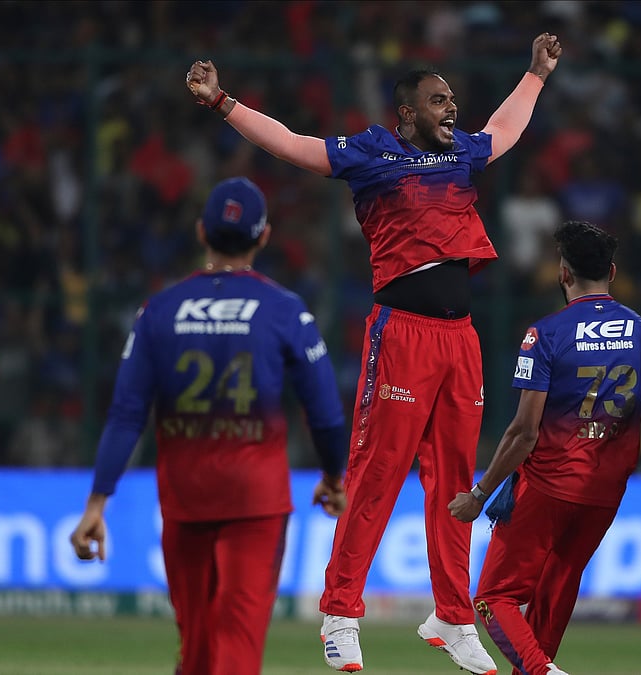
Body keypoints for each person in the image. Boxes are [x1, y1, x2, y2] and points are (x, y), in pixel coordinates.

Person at [186, 32, 564, 674]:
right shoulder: (372, 152)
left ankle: (452, 616)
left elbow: (504, 130)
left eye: (453, 99)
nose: (452, 108)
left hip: (461, 340)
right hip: (403, 335)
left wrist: (536, 75)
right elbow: (295, 145)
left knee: (455, 481)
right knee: (377, 471)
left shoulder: (463, 152)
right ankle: (340, 612)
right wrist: (224, 102)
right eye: (439, 100)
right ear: (407, 113)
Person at [69, 177, 349, 675]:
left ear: (201, 231)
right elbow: (325, 412)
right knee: (236, 647)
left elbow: (127, 413)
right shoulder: (284, 310)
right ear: (264, 237)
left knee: (196, 651)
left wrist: (97, 501)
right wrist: (333, 476)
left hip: (185, 499)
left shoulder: (159, 310)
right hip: (256, 501)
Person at [448, 220, 641, 675]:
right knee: (554, 593)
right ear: (611, 272)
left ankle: (541, 672)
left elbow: (524, 432)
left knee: (495, 597)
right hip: (604, 493)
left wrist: (479, 495)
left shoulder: (546, 334)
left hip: (547, 487)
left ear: (563, 274)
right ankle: (541, 666)